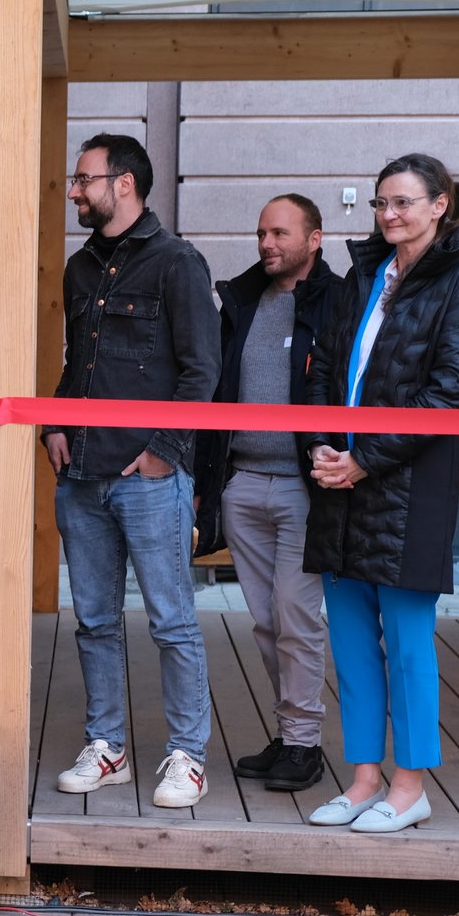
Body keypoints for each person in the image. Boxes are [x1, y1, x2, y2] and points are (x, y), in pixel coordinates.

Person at [302, 154, 459, 835]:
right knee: (352, 644)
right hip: (341, 483)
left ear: (440, 205)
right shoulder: (364, 275)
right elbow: (324, 369)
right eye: (381, 202)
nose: (389, 214)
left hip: (410, 489)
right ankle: (363, 782)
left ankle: (410, 788)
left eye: (403, 202)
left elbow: (450, 392)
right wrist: (322, 447)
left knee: (409, 647)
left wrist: (363, 461)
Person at [44, 133, 218, 809]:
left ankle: (188, 756)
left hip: (149, 478)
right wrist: (54, 424)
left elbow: (202, 371)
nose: (74, 191)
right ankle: (107, 747)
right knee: (93, 621)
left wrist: (163, 453)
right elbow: (77, 364)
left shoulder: (178, 262)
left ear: (124, 184)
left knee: (172, 621)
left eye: (83, 179)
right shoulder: (79, 267)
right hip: (82, 476)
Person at [195, 195, 342, 795]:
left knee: (295, 618)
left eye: (280, 233)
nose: (267, 244)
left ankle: (304, 743)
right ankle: (290, 735)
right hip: (243, 483)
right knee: (265, 622)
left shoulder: (337, 301)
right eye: (261, 233)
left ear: (315, 238)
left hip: (304, 487)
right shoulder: (241, 300)